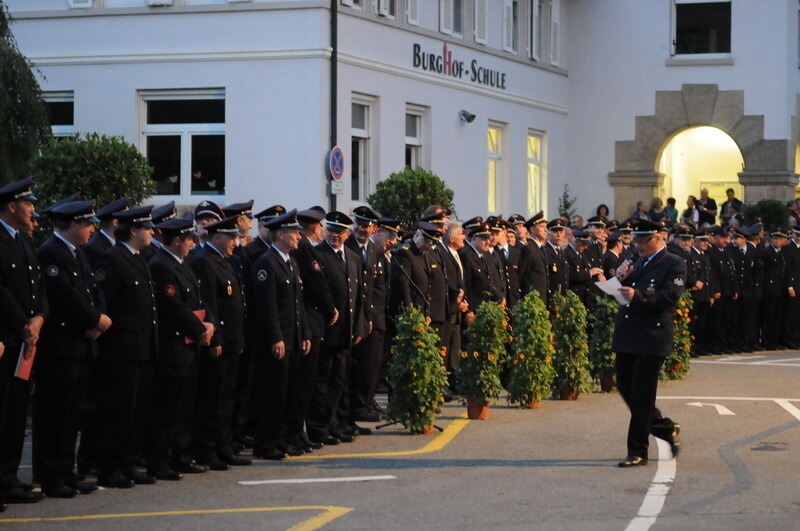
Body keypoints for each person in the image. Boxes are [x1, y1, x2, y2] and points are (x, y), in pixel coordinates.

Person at [34, 200, 107, 498]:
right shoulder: (50, 252)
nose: (91, 229)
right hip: (61, 346)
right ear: (74, 224)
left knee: (72, 414)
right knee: (55, 414)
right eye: (87, 224)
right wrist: (93, 319)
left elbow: (93, 290)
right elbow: (64, 294)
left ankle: (67, 471)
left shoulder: (77, 253)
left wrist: (98, 319)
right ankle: (51, 475)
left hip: (81, 344)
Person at [146, 216, 216, 480]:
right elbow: (174, 307)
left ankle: (181, 455)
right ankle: (161, 460)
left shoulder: (181, 263)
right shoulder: (161, 266)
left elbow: (199, 300)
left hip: (190, 345)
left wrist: (210, 324)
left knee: (186, 406)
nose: (192, 245)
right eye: (189, 240)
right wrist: (200, 330)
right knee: (168, 408)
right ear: (177, 241)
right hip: (173, 346)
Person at [94, 205, 159, 488]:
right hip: (122, 349)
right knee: (118, 411)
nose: (152, 233)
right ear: (133, 231)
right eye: (147, 229)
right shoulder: (112, 259)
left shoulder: (137, 258)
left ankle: (128, 463)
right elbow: (106, 302)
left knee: (136, 411)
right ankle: (111, 468)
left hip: (142, 347)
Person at [612, 219, 684, 467]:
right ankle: (664, 427)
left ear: (659, 238)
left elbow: (670, 297)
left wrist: (638, 296)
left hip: (652, 336)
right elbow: (622, 293)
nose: (639, 245)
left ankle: (637, 450)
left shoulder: (673, 263)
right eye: (637, 241)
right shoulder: (635, 261)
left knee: (642, 394)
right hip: (628, 334)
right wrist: (618, 280)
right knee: (625, 387)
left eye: (644, 241)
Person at [0, 177, 48, 507]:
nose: (32, 209)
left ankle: (8, 478)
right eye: (27, 203)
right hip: (7, 338)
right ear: (11, 206)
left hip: (25, 341)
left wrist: (39, 318)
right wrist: (23, 324)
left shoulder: (23, 241)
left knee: (16, 414)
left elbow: (39, 284)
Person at [188, 215, 250, 469]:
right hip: (219, 342)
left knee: (226, 399)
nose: (235, 242)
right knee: (212, 400)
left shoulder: (224, 260)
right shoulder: (204, 261)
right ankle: (207, 450)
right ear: (217, 237)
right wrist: (216, 340)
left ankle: (223, 446)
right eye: (231, 237)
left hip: (232, 341)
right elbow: (210, 305)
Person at [252, 209, 311, 458]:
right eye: (294, 232)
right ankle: (265, 443)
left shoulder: (291, 262)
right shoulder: (267, 263)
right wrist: (276, 337)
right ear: (281, 234)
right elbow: (267, 306)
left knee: (288, 393)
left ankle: (281, 438)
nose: (299, 236)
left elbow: (298, 303)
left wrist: (304, 333)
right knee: (273, 394)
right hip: (278, 341)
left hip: (293, 338)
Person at [305, 212, 368, 447]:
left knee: (338, 381)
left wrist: (359, 326)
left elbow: (357, 296)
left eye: (340, 232)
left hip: (345, 332)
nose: (335, 235)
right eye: (331, 230)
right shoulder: (318, 255)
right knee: (321, 382)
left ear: (347, 234)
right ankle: (318, 427)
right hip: (326, 330)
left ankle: (333, 424)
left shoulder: (352, 257)